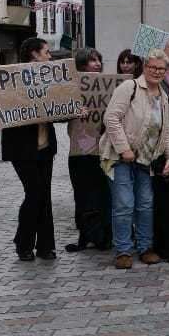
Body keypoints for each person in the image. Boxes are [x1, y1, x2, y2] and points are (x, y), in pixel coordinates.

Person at [100, 48, 169, 269]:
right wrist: (124, 149)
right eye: (153, 67)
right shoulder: (129, 88)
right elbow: (111, 118)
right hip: (120, 158)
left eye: (161, 69)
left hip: (147, 160)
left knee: (145, 204)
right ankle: (123, 251)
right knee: (124, 204)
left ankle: (145, 247)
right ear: (144, 67)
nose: (156, 71)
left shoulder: (164, 97)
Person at [0, 38, 61, 261]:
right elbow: (2, 106)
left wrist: (75, 109)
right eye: (46, 52)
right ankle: (23, 243)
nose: (50, 56)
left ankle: (45, 246)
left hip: (45, 147)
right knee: (34, 194)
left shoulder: (51, 78)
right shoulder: (13, 79)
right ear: (34, 54)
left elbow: (60, 108)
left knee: (44, 195)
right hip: (22, 149)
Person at [65, 47, 112, 253]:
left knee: (102, 195)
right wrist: (72, 110)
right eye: (93, 60)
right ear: (83, 64)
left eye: (99, 60)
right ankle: (85, 235)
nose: (98, 64)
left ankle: (102, 236)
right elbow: (56, 113)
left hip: (103, 150)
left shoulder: (109, 86)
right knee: (83, 196)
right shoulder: (72, 87)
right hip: (80, 152)